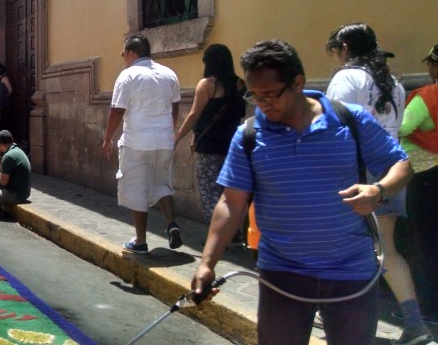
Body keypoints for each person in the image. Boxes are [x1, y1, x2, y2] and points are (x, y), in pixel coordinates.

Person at [191, 39, 413, 345]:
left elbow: (401, 165)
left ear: (298, 83)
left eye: (270, 95)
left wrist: (378, 190)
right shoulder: (250, 135)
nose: (263, 105)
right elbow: (231, 203)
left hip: (351, 273)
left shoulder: (349, 120)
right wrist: (207, 263)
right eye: (255, 96)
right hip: (282, 275)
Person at [325, 24, 433, 345]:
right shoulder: (395, 83)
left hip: (358, 172)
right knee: (385, 248)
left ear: (345, 47)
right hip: (392, 170)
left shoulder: (347, 78)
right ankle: (414, 323)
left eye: (336, 49)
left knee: (346, 248)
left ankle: (348, 319)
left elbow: (332, 124)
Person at [101, 34, 182, 254]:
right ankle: (171, 223)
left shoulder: (128, 76)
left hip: (137, 142)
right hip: (163, 141)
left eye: (122, 54)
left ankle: (140, 241)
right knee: (161, 183)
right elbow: (174, 108)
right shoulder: (169, 74)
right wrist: (169, 131)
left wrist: (107, 138)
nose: (122, 58)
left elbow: (117, 110)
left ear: (132, 53)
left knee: (136, 189)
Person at [175, 44, 247, 222]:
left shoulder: (207, 85)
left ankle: (220, 232)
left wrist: (177, 138)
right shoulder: (240, 84)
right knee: (228, 190)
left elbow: (194, 116)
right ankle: (235, 231)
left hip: (209, 147)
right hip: (232, 145)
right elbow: (241, 115)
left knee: (208, 189)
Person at [400, 44, 438, 328]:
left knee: (426, 245)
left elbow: (401, 128)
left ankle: (430, 309)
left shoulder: (426, 96)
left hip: (427, 177)